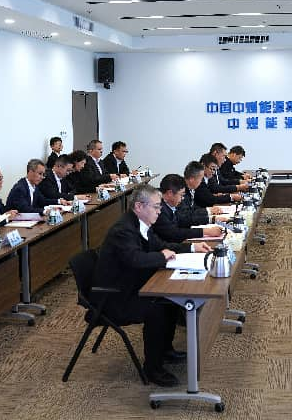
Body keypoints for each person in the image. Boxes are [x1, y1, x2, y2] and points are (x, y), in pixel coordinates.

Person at [93, 184, 211, 386]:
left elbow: (161, 246)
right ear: (139, 206)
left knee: (171, 300)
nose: (159, 211)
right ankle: (152, 369)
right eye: (156, 207)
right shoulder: (123, 230)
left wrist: (191, 248)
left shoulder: (141, 224)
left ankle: (165, 350)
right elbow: (135, 259)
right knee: (156, 309)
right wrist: (161, 257)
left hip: (133, 285)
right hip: (114, 296)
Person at [152, 174, 224, 242]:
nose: (183, 198)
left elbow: (183, 220)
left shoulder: (169, 204)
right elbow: (173, 233)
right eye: (181, 195)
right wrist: (205, 231)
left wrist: (212, 219)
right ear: (170, 193)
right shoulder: (159, 209)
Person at [179, 161, 228, 227]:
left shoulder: (190, 188)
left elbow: (193, 208)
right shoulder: (180, 192)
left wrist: (208, 211)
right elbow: (187, 215)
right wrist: (209, 212)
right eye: (201, 179)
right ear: (191, 179)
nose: (202, 181)